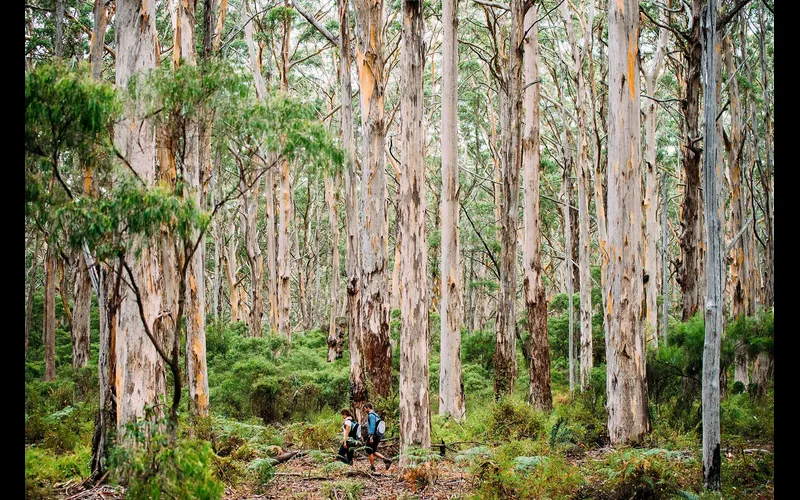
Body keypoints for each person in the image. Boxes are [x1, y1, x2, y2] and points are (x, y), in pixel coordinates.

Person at [364, 403, 392, 472]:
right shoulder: (376, 415)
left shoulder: (371, 415)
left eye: (365, 408)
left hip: (373, 436)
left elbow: (372, 426)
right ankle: (386, 460)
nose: (364, 410)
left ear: (368, 408)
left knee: (369, 450)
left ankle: (372, 467)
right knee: (373, 451)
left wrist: (371, 436)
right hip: (378, 435)